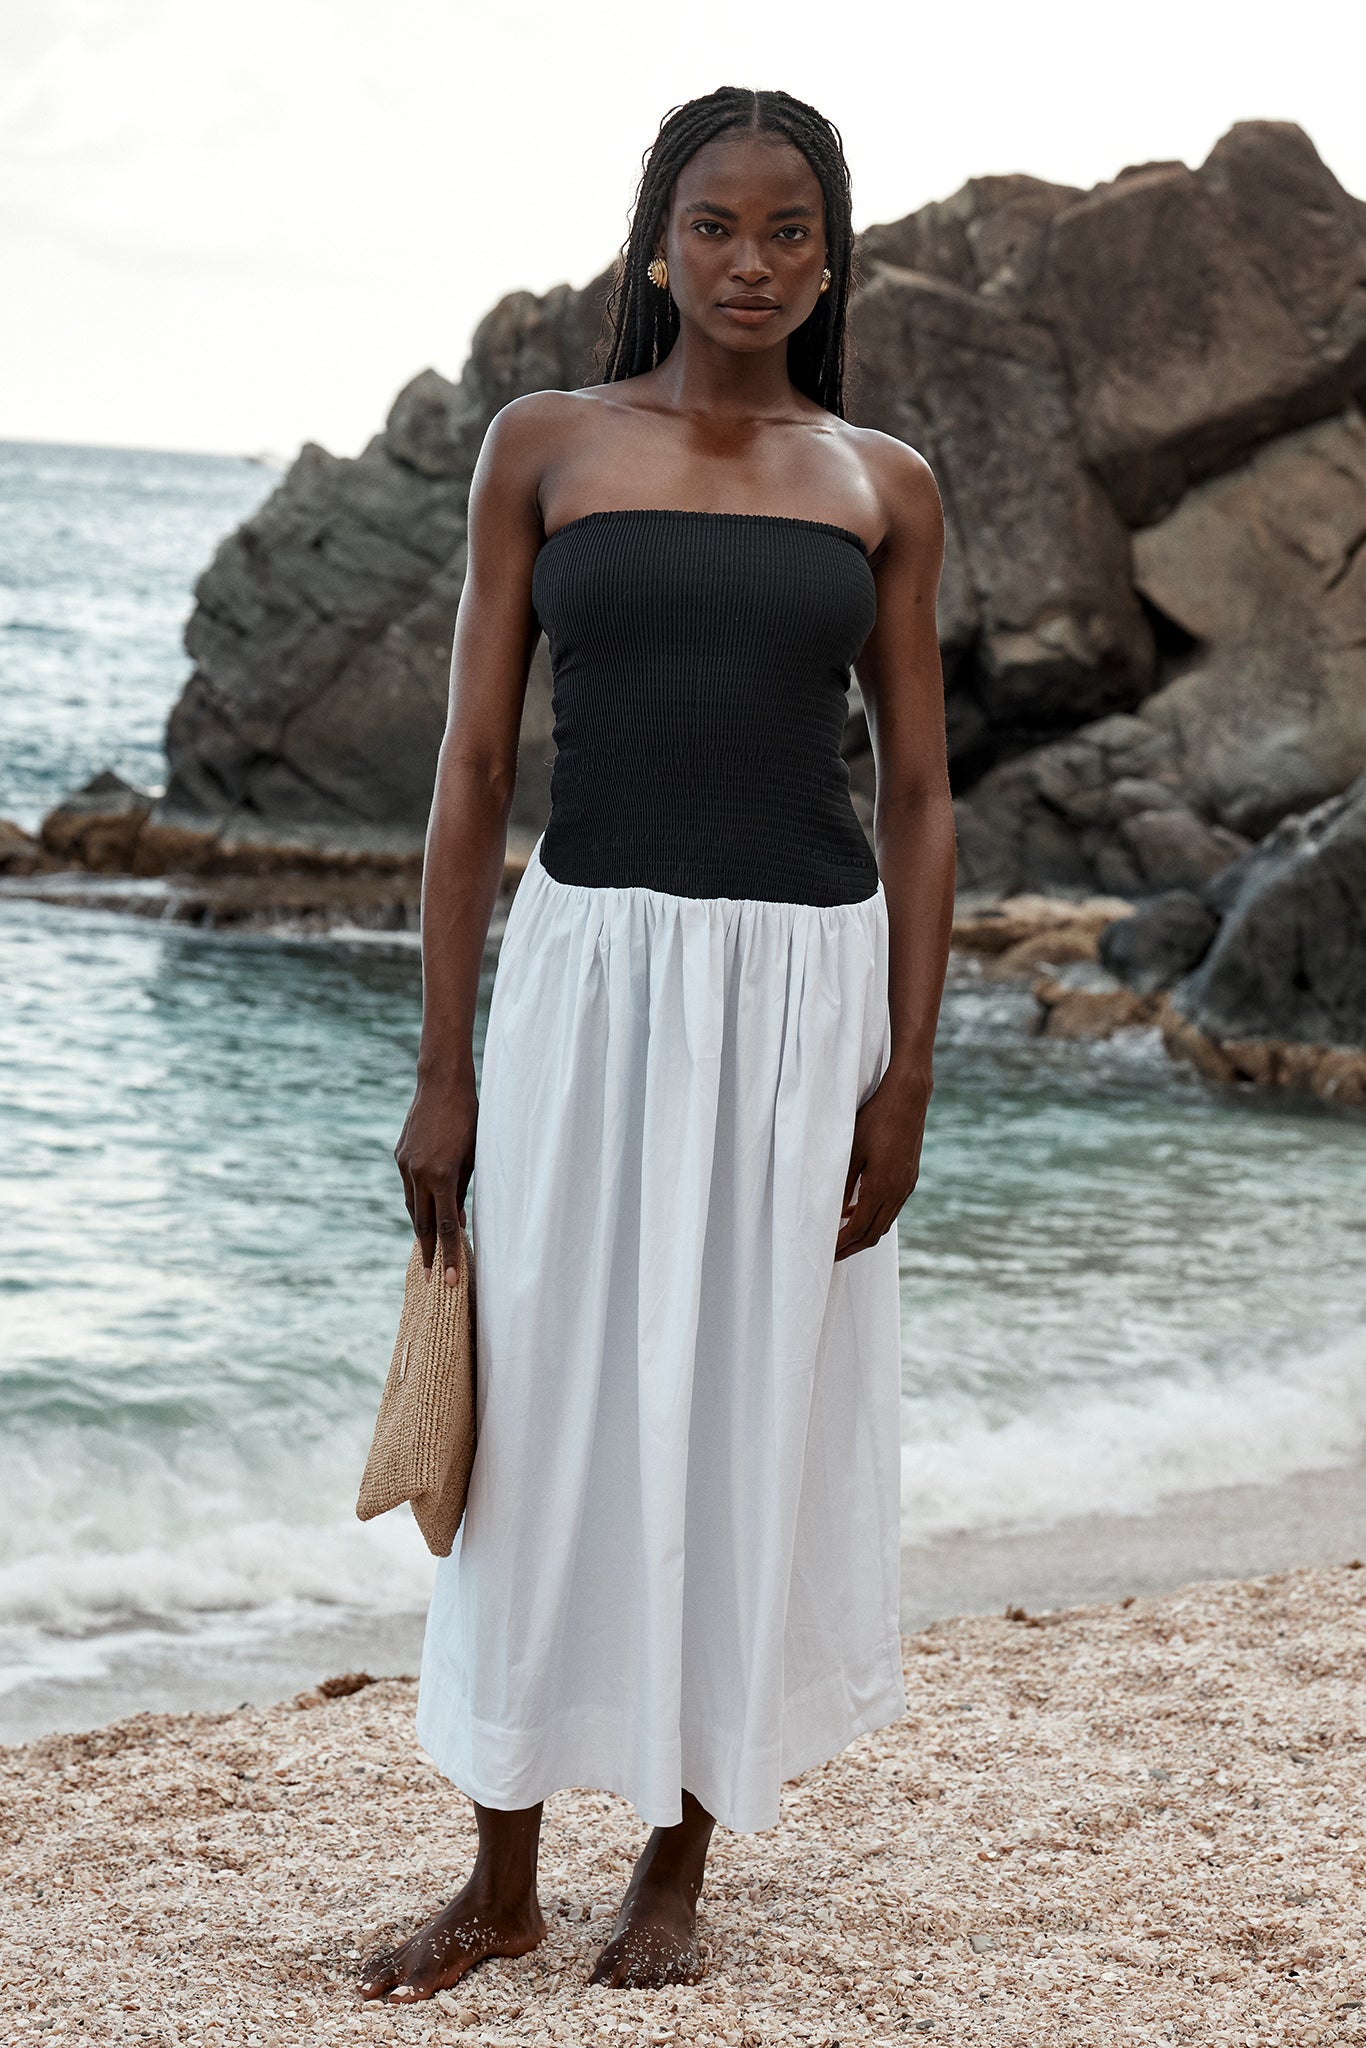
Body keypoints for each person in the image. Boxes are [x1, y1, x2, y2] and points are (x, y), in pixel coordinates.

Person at [359, 83, 954, 2005]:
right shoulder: (542, 447)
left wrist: (909, 1071)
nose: (751, 263)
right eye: (715, 225)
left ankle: (679, 1859)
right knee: (539, 1418)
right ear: (653, 242)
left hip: (802, 995)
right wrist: (442, 1060)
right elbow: (467, 774)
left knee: (742, 1407)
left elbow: (926, 798)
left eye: (789, 232)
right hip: (588, 975)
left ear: (829, 259)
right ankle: (501, 1867)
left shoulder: (882, 482)